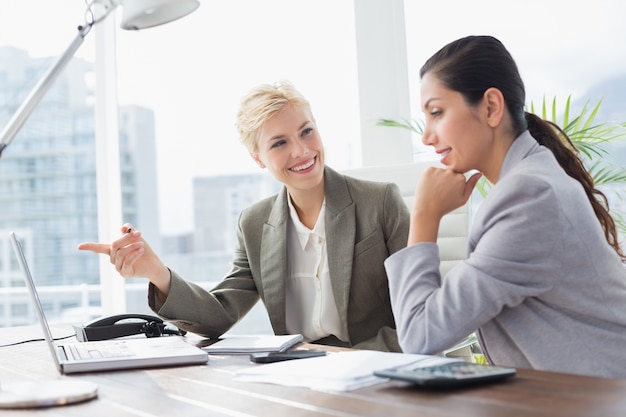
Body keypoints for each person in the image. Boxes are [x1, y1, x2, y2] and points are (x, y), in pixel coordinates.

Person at [78, 80, 409, 352]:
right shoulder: (254, 224)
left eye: (306, 131)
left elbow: (420, 317)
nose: (301, 150)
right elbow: (220, 314)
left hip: (376, 370)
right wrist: (158, 273)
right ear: (259, 159)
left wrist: (347, 358)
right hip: (300, 376)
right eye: (279, 143)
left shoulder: (379, 201)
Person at [384, 35, 626, 378]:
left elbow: (420, 335)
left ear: (491, 107)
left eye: (436, 112)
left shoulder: (529, 198)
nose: (426, 137)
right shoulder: (531, 178)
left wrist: (425, 215)